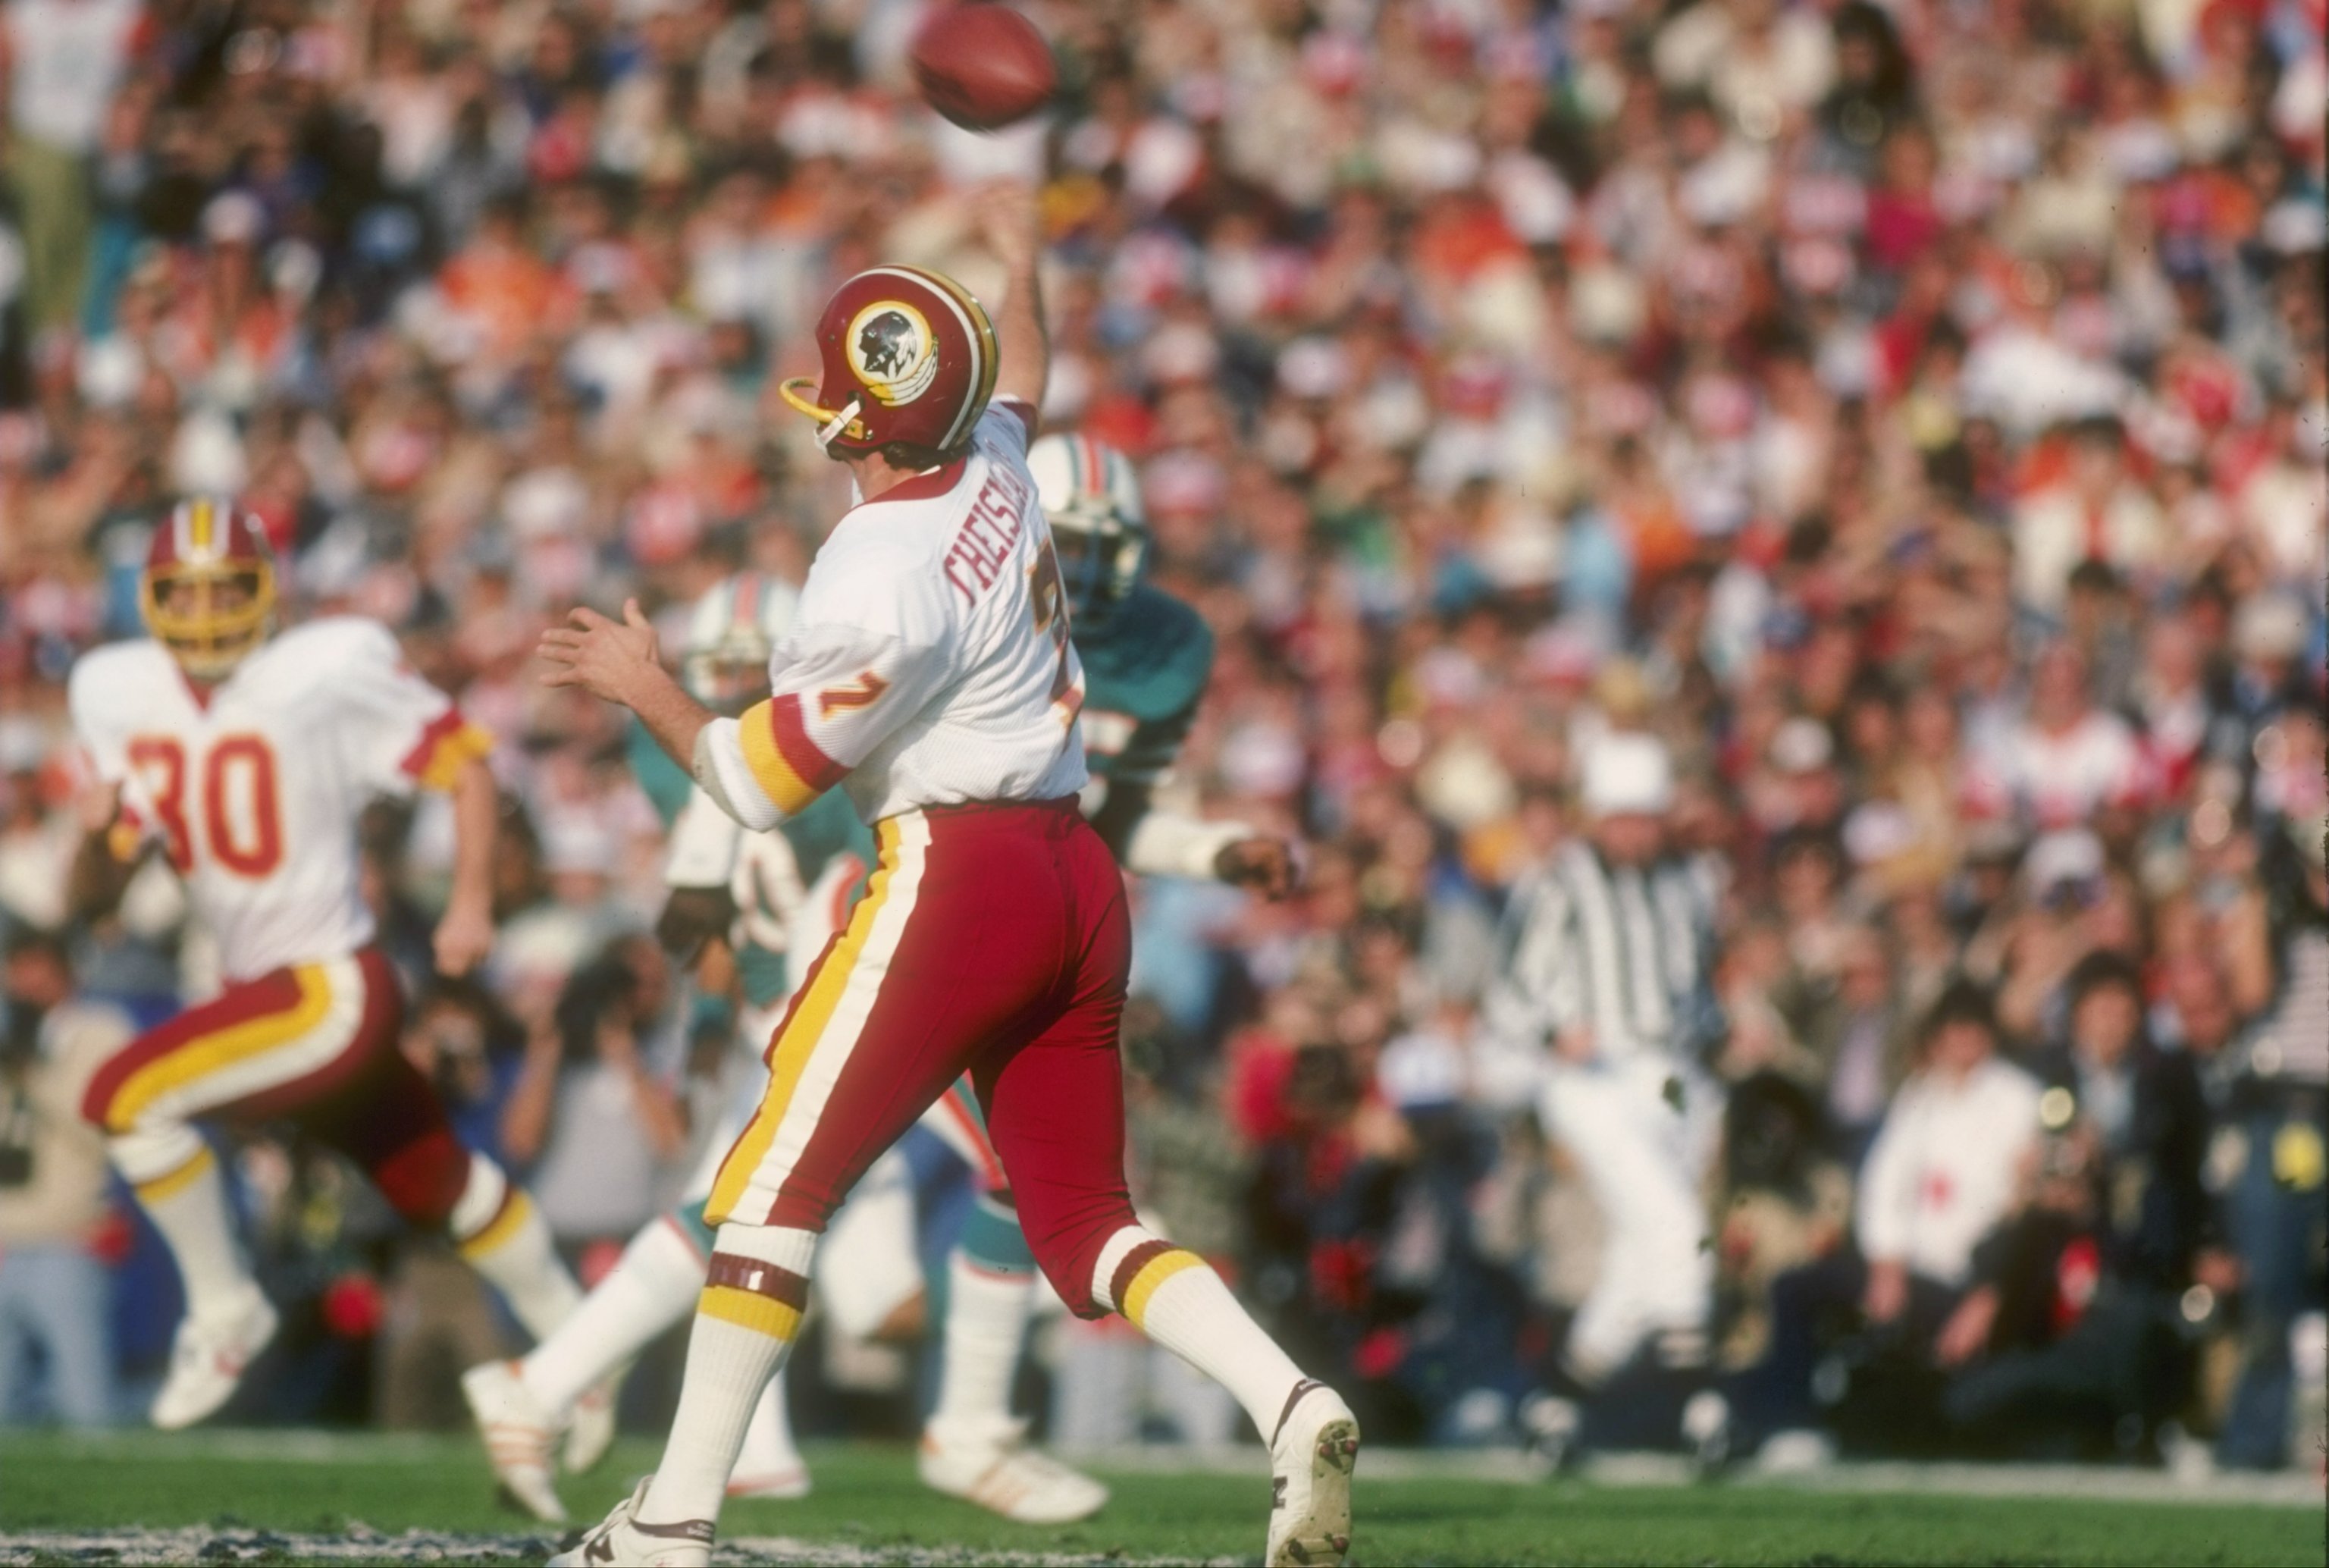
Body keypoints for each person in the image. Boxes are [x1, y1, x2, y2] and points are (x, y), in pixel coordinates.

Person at [535, 188, 1356, 1568]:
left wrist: (647, 689)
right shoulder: (993, 456)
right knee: (1086, 1222)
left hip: (956, 877)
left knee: (765, 1193)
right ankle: (1293, 1398)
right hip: (1077, 874)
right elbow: (1020, 371)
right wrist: (1024, 261)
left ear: (855, 416)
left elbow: (748, 785)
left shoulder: (876, 563)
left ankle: (670, 1521)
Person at [64, 500, 585, 1429]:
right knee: (436, 1180)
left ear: (266, 591)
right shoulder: (115, 687)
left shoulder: (326, 667)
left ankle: (224, 1307)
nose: (207, 610)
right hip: (261, 989)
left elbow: (466, 766)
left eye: (227, 587)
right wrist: (97, 831)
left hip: (325, 987)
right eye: (185, 592)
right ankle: (584, 1352)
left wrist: (467, 903)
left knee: (123, 1096)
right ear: (150, 598)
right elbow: (98, 891)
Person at [1487, 731, 1729, 1465]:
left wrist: (1716, 1051)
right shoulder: (1558, 881)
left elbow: (1699, 990)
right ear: (1595, 815)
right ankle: (1704, 1407)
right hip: (1592, 1081)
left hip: (1673, 1077)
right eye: (1619, 816)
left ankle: (1555, 1406)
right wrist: (1557, 1031)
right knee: (1679, 1227)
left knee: (1642, 1253)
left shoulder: (1689, 882)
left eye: (1644, 816)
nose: (1632, 831)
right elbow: (1508, 993)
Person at [0, 928, 127, 1425]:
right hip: (6, 1240)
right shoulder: (9, 1038)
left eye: (37, 971)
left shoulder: (98, 1031)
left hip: (69, 1238)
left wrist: (35, 1076)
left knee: (86, 1404)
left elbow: (105, 1127)